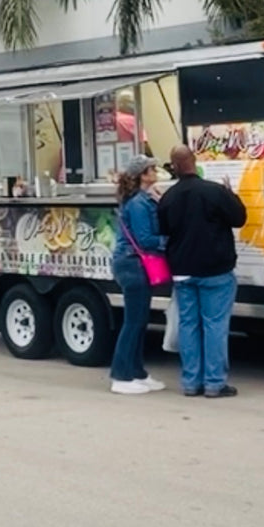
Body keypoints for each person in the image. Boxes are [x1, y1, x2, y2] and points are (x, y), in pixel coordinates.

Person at [157, 144, 246, 397]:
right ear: (194, 161)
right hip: (215, 269)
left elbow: (163, 231)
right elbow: (239, 218)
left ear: (173, 166)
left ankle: (190, 383)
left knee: (188, 324)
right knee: (215, 325)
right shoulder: (215, 192)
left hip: (182, 271)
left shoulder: (168, 197)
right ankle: (214, 383)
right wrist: (232, 194)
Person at [109, 154, 167, 395]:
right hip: (133, 265)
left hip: (131, 263)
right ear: (143, 175)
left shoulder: (141, 200)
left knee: (140, 320)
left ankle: (137, 372)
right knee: (134, 322)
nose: (155, 172)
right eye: (152, 169)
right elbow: (145, 239)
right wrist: (169, 241)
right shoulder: (139, 204)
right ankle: (121, 375)